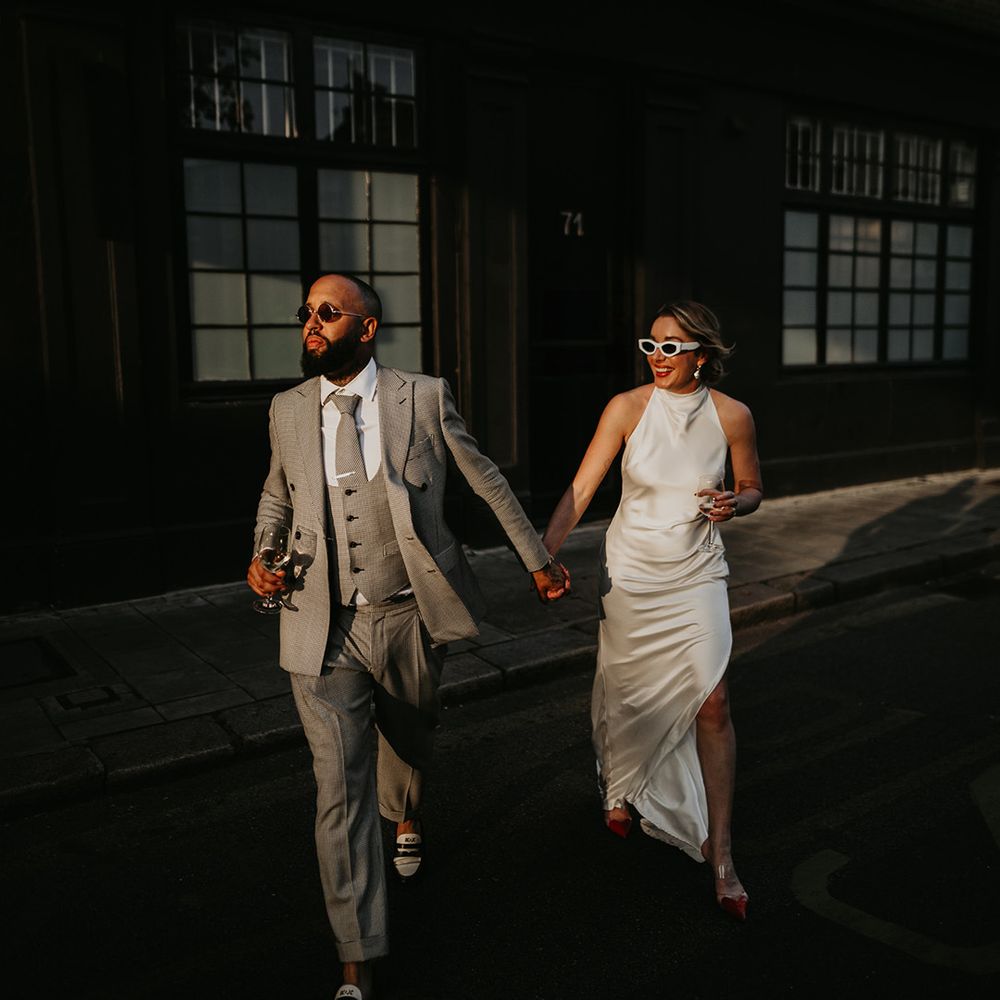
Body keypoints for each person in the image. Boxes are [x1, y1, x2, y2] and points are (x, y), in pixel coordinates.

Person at [247, 273, 569, 1000]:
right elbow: (277, 492)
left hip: (406, 613)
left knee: (411, 736)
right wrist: (260, 554)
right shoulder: (288, 409)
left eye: (327, 313)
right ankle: (356, 961)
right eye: (306, 313)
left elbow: (483, 479)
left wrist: (538, 561)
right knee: (339, 789)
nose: (311, 323)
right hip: (320, 626)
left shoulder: (420, 396)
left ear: (366, 327)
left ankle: (408, 811)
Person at [541, 300, 762, 921]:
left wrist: (733, 505)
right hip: (632, 572)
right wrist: (544, 554)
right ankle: (622, 783)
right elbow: (583, 488)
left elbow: (753, 490)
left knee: (713, 703)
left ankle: (721, 856)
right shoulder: (626, 408)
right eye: (651, 345)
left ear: (702, 354)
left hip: (696, 573)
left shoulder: (733, 416)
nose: (657, 357)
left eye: (671, 346)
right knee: (628, 686)